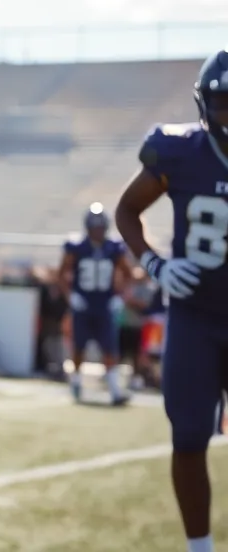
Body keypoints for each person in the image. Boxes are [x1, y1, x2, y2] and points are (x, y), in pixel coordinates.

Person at [115, 49, 228, 552]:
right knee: (188, 436)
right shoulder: (178, 151)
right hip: (195, 317)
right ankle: (199, 547)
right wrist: (155, 265)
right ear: (205, 103)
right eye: (224, 101)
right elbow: (127, 211)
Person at [58, 202, 133, 404]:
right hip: (83, 304)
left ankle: (115, 390)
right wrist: (70, 296)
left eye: (100, 226)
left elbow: (128, 275)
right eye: (95, 226)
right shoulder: (76, 247)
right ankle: (76, 382)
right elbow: (61, 275)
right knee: (78, 348)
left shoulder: (114, 248)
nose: (98, 231)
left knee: (110, 349)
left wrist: (120, 297)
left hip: (104, 305)